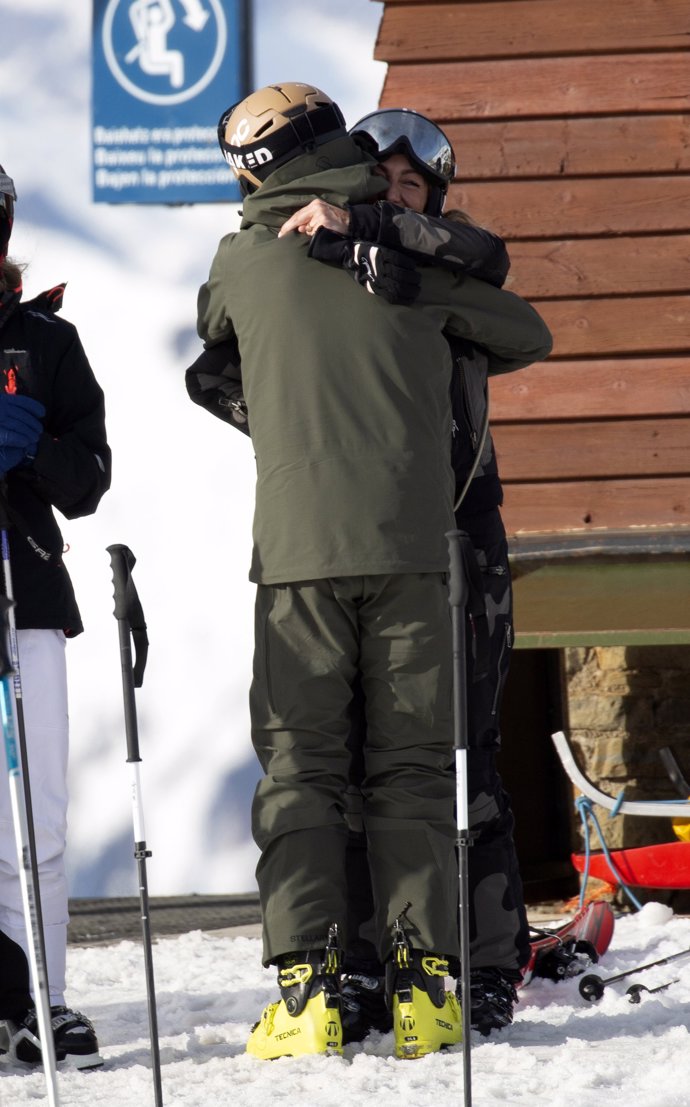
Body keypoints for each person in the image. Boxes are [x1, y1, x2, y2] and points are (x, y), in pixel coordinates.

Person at [193, 82, 552, 1061]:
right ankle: (427, 990)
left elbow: (211, 350)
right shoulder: (404, 265)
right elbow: (523, 329)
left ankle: (313, 987)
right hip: (417, 549)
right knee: (418, 771)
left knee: (306, 772)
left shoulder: (241, 261)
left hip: (303, 555)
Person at [276, 108, 532, 1039]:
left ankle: (490, 958)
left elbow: (492, 255)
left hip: (460, 533)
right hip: (358, 535)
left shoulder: (446, 265)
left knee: (465, 744)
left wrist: (384, 241)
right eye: (377, 182)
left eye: (411, 185)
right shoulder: (312, 269)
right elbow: (222, 371)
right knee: (350, 755)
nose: (392, 193)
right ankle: (374, 956)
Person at [0, 165, 111, 1068]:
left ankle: (45, 996)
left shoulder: (44, 340)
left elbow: (92, 477)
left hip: (24, 591)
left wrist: (33, 445)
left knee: (38, 815)